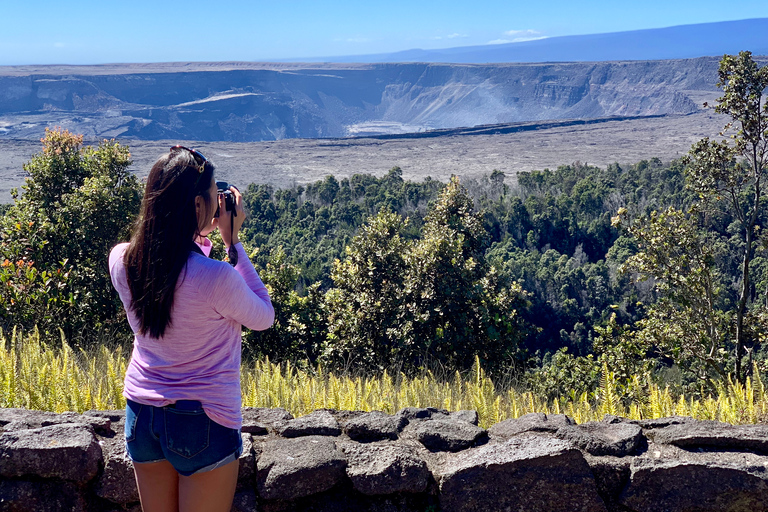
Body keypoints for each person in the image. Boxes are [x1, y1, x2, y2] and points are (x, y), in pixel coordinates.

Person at [109, 146, 274, 512]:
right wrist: (233, 244)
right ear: (199, 206)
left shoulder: (121, 259)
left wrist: (201, 236)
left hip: (142, 412)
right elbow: (264, 315)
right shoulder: (216, 277)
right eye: (214, 197)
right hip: (204, 419)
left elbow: (176, 274)